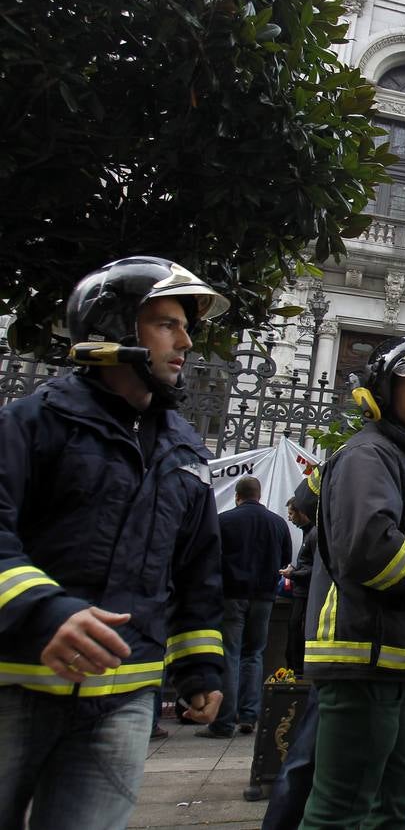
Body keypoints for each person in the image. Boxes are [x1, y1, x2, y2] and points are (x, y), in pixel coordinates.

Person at [0, 256, 228, 829]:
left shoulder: (185, 453)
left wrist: (199, 664)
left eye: (186, 327)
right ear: (115, 327)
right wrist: (45, 613)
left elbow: (198, 570)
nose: (185, 342)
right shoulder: (31, 424)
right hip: (15, 685)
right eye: (166, 324)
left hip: (125, 698)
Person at [298, 333, 405, 829]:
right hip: (362, 658)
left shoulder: (402, 459)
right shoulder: (367, 456)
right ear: (385, 390)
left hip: (398, 659)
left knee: (393, 799)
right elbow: (368, 549)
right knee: (343, 807)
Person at [262, 479, 405, 830]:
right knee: (314, 763)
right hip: (353, 650)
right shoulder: (360, 466)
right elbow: (308, 505)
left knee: (392, 776)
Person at [198, 476, 291, 740]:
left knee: (230, 654)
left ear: (238, 496)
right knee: (255, 654)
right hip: (263, 597)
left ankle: (224, 721)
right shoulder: (277, 523)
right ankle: (249, 714)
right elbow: (284, 559)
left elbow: (211, 557)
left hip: (231, 594)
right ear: (259, 495)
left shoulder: (224, 520)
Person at [281, 477, 319, 678]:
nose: (289, 518)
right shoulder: (309, 534)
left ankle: (299, 673)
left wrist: (293, 573)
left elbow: (316, 568)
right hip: (301, 593)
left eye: (291, 513)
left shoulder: (313, 534)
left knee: (298, 633)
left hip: (305, 595)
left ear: (301, 512)